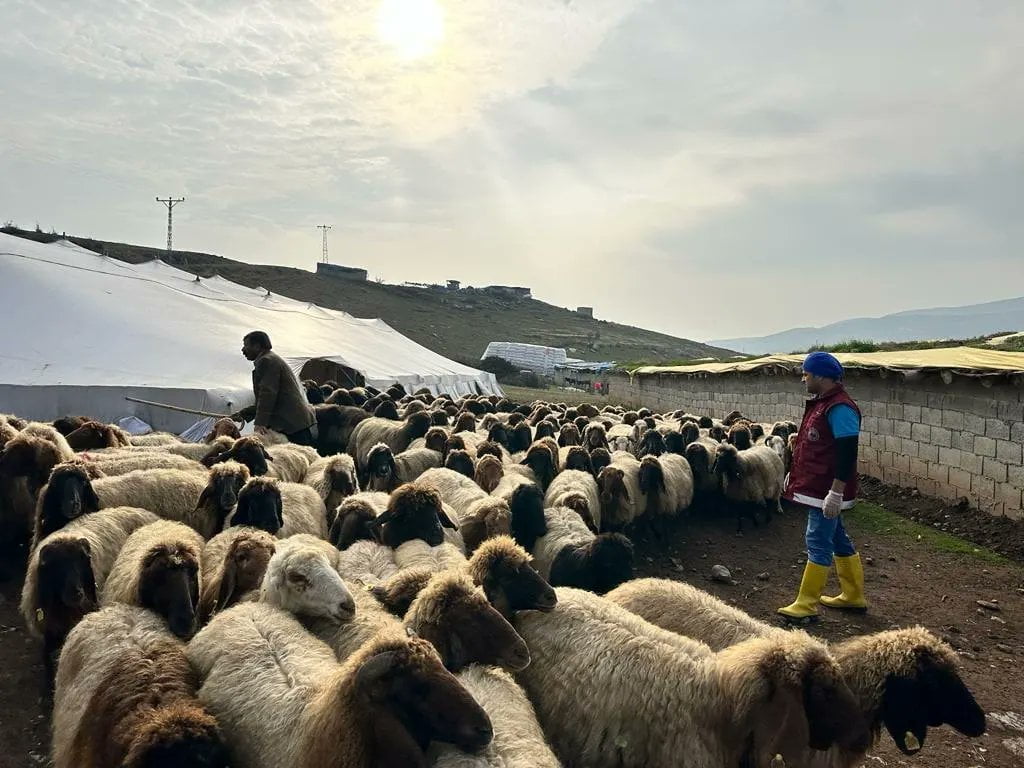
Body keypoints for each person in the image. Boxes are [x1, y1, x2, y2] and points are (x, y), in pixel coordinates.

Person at [778, 351, 866, 622]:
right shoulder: (822, 403)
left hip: (825, 488)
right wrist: (792, 475)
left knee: (817, 540)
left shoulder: (840, 408)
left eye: (806, 374)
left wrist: (836, 492)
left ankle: (806, 604)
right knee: (837, 538)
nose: (804, 379)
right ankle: (853, 596)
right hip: (816, 484)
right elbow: (814, 447)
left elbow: (846, 452)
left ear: (819, 376)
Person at [231, 331, 317, 446]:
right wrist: (242, 414)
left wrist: (260, 424)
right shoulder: (270, 359)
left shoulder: (266, 361)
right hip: (294, 423)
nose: (243, 350)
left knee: (298, 459)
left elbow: (268, 394)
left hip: (291, 425)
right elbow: (265, 399)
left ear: (257, 346)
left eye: (246, 345)